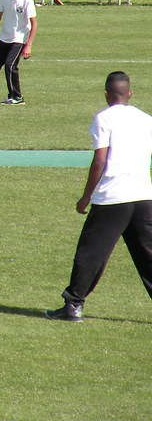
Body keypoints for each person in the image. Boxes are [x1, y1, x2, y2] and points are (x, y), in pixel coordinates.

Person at [46, 72, 152, 322]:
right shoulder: (146, 120)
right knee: (147, 255)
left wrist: (86, 197)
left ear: (106, 94)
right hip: (143, 197)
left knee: (91, 253)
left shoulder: (103, 119)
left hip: (113, 198)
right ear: (130, 93)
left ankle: (73, 305)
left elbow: (100, 161)